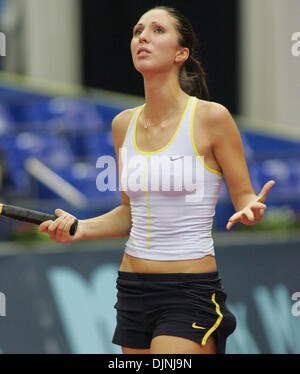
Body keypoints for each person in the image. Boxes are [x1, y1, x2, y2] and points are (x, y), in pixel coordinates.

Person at [39, 6, 275, 354]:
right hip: (132, 289)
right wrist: (81, 228)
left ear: (182, 53)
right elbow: (128, 212)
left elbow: (244, 196)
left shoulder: (212, 118)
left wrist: (250, 208)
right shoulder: (123, 125)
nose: (143, 37)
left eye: (157, 30)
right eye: (137, 31)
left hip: (188, 291)